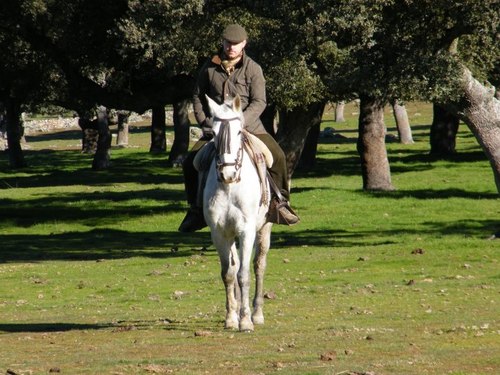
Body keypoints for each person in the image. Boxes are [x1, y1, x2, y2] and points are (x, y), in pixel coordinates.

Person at [178, 24, 299, 232]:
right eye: (228, 43)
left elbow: (259, 101)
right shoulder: (208, 68)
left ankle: (280, 204)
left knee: (278, 157)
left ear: (244, 44)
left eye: (235, 44)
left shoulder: (253, 68)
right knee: (190, 162)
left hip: (250, 127)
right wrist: (205, 122)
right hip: (217, 128)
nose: (231, 47)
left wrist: (241, 121)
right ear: (222, 43)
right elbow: (198, 96)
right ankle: (196, 210)